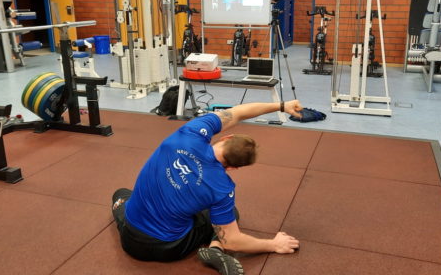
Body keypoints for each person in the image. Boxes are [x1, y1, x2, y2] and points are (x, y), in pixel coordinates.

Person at [112, 100, 303, 275]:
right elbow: (233, 241)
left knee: (120, 194)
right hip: (171, 248)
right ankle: (215, 248)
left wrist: (281, 105)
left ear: (226, 137)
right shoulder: (222, 188)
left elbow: (237, 113)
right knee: (229, 214)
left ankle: (212, 249)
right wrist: (274, 244)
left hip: (130, 240)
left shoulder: (192, 132)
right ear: (234, 167)